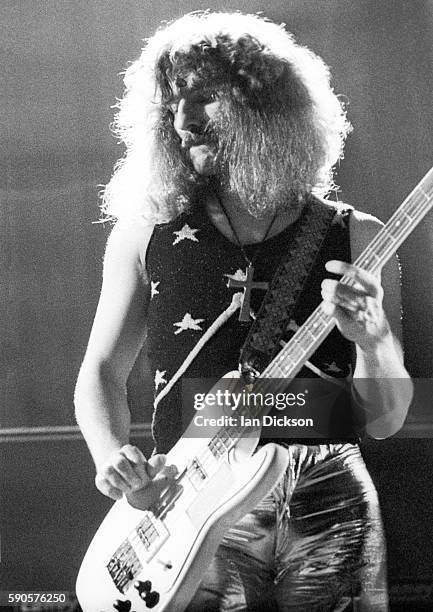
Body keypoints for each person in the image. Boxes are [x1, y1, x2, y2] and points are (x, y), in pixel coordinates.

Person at [74, 11, 413, 611]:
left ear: (268, 107)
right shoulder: (145, 233)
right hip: (191, 500)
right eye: (173, 103)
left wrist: (374, 339)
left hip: (328, 499)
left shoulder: (356, 235)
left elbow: (385, 420)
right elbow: (100, 371)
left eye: (205, 98)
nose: (182, 121)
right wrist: (111, 457)